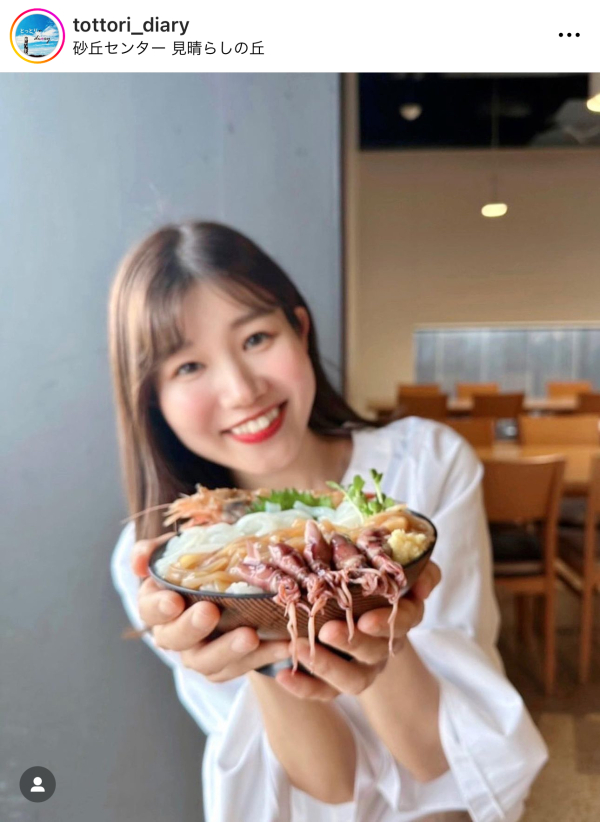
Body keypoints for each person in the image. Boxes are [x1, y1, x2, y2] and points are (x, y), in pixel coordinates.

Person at [109, 221, 548, 822]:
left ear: (300, 328)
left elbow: (439, 759)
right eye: (188, 367)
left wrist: (384, 641)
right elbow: (331, 785)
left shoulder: (425, 465)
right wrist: (254, 637)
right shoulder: (165, 560)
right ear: (151, 398)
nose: (241, 389)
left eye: (256, 337)